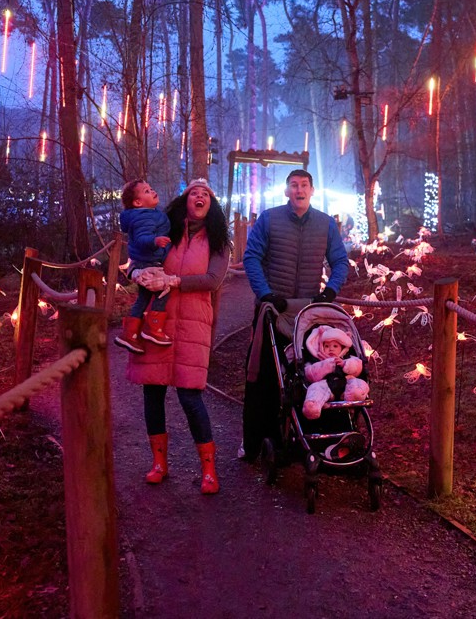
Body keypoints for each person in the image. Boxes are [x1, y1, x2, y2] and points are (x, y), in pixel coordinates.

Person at [125, 178, 231, 494]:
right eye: (192, 193)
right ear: (183, 201)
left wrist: (174, 281)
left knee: (190, 396)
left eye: (205, 195)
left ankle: (209, 469)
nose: (199, 197)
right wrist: (135, 273)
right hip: (157, 321)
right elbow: (137, 258)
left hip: (194, 323)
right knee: (153, 392)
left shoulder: (219, 242)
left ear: (212, 206)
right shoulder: (164, 229)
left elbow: (212, 280)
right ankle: (159, 463)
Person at [241, 169, 349, 457]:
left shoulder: (325, 224)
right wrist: (265, 293)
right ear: (286, 191)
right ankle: (256, 442)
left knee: (313, 373)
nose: (299, 190)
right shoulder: (270, 219)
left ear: (312, 190)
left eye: (304, 185)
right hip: (273, 307)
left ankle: (315, 437)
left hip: (309, 314)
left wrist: (330, 292)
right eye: (293, 185)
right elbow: (251, 256)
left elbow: (340, 261)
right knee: (263, 375)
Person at [116, 179, 172, 353]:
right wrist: (155, 241)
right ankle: (154, 328)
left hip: (144, 261)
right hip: (148, 263)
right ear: (138, 202)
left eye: (151, 188)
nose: (152, 191)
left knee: (143, 297)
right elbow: (141, 238)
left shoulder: (147, 213)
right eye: (147, 191)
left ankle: (130, 334)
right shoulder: (144, 216)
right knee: (163, 291)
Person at [301, 324, 368, 420]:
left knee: (358, 383)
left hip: (346, 383)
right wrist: (326, 365)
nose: (331, 349)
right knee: (315, 388)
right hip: (325, 385)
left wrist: (345, 364)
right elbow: (310, 374)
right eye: (326, 346)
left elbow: (357, 367)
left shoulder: (348, 358)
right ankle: (312, 406)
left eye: (335, 346)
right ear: (321, 347)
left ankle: (354, 395)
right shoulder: (316, 360)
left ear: (342, 347)